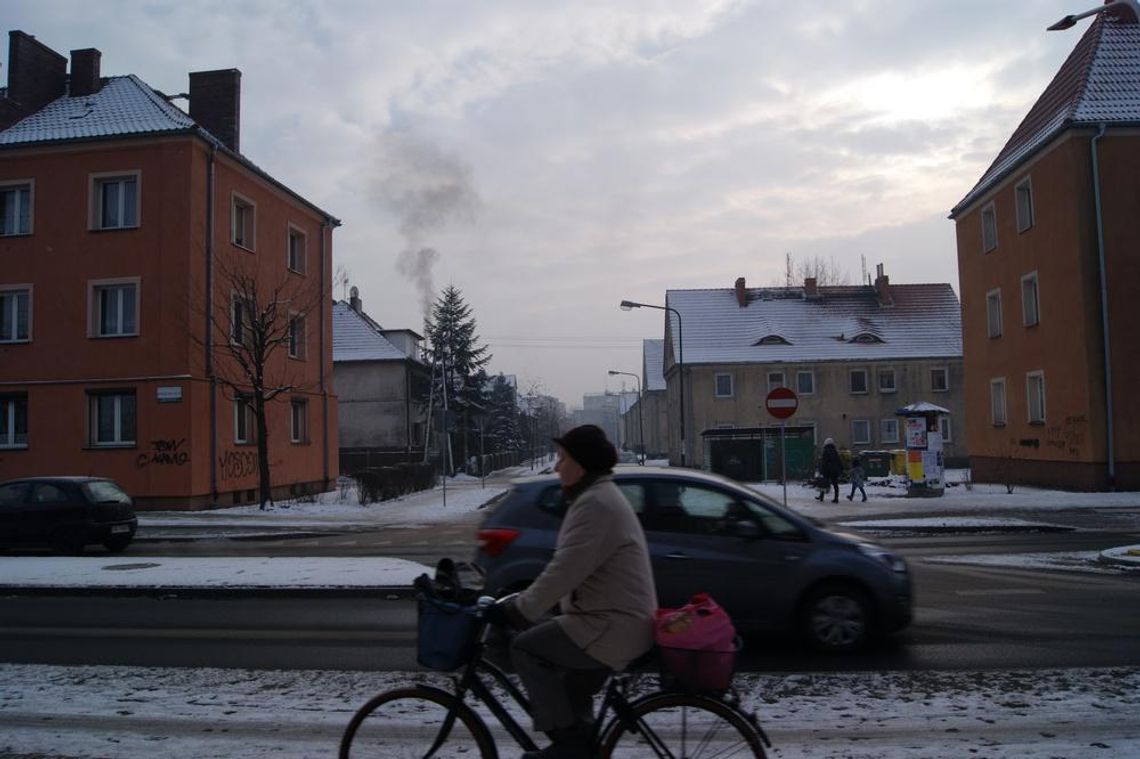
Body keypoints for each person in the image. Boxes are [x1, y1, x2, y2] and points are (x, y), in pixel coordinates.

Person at [486, 424, 657, 759]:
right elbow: (573, 571)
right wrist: (540, 608)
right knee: (569, 692)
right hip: (612, 620)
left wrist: (521, 610)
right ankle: (580, 745)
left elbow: (565, 569)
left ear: (581, 464)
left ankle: (567, 748)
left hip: (611, 626)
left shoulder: (595, 505)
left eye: (562, 458)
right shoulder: (596, 498)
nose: (556, 466)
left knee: (526, 649)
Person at [816, 437, 842, 503]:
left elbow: (824, 462)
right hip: (834, 471)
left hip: (827, 470)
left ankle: (821, 496)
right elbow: (838, 461)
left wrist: (821, 470)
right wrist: (840, 469)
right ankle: (836, 498)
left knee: (824, 483)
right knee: (835, 484)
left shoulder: (825, 451)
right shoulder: (835, 451)